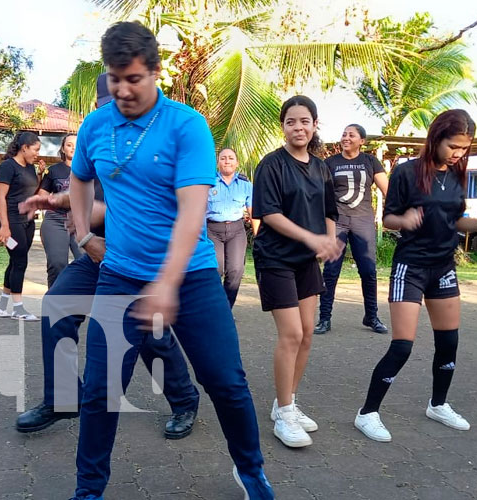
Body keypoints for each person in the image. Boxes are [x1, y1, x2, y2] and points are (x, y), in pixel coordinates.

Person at [68, 22, 274, 500]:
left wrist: (166, 281)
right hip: (119, 277)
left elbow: (192, 210)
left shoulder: (186, 125)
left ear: (156, 73)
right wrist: (82, 235)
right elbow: (79, 180)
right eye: (114, 78)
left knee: (226, 381)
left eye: (134, 79)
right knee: (99, 392)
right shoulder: (96, 126)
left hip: (192, 276)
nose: (122, 89)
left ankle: (251, 473)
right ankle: (88, 490)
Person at [15, 187, 200, 439]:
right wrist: (59, 200)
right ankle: (64, 398)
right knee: (58, 303)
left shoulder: (146, 153)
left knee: (148, 328)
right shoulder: (97, 150)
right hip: (98, 257)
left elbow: (132, 209)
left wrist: (90, 216)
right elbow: (81, 192)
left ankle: (185, 400)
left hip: (141, 258)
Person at [354, 109, 477, 442]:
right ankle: (367, 413)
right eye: (453, 146)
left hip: (443, 267)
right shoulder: (406, 172)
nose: (458, 153)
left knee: (449, 342)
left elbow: (457, 221)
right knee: (402, 346)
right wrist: (406, 218)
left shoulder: (456, 175)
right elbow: (388, 220)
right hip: (410, 267)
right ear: (436, 138)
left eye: (464, 148)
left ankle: (438, 404)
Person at [252, 95, 341, 449]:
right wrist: (311, 237)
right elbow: (268, 214)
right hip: (275, 258)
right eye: (291, 122)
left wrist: (329, 242)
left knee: (307, 334)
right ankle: (285, 414)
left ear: (315, 124)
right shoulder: (271, 165)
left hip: (307, 261)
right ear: (283, 126)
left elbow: (330, 210)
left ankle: (285, 401)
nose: (298, 127)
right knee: (290, 334)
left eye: (305, 121)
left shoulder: (321, 167)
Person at [315, 124, 389, 335]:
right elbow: (321, 193)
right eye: (344, 134)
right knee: (330, 271)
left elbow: (387, 190)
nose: (346, 138)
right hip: (337, 221)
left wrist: (398, 214)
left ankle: (372, 316)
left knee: (368, 270)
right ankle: (325, 318)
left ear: (362, 141)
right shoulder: (330, 163)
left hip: (363, 220)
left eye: (351, 135)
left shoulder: (370, 161)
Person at [0, 132, 41, 321]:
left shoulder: (30, 168)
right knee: (20, 261)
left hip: (27, 222)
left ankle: (2, 306)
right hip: (11, 222)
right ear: (24, 148)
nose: (37, 154)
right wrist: (4, 226)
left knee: (15, 261)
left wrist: (39, 174)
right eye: (35, 150)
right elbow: (0, 197)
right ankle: (18, 308)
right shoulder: (7, 166)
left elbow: (28, 191)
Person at [206, 148, 258, 308]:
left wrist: (258, 236)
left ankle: (225, 309)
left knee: (236, 270)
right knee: (216, 269)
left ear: (237, 163)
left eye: (230, 158)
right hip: (212, 230)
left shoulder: (245, 184)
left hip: (236, 230)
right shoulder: (208, 182)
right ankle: (213, 307)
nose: (227, 161)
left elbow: (253, 212)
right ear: (218, 162)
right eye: (223, 158)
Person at [38, 134, 83, 288]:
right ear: (63, 148)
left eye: (77, 145)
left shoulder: (90, 169)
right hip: (56, 220)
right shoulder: (54, 171)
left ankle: (81, 305)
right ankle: (55, 305)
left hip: (81, 222)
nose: (73, 148)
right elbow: (42, 195)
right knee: (57, 264)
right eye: (69, 144)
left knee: (86, 262)